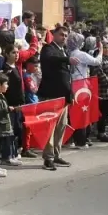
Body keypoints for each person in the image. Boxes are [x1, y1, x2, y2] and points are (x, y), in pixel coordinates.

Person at [36, 24, 72, 170]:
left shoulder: (64, 51)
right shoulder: (48, 49)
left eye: (65, 35)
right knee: (49, 127)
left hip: (63, 96)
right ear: (54, 35)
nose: (63, 37)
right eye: (61, 34)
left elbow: (67, 76)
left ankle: (57, 155)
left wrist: (71, 93)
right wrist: (66, 59)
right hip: (51, 95)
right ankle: (48, 158)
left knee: (61, 127)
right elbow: (50, 59)